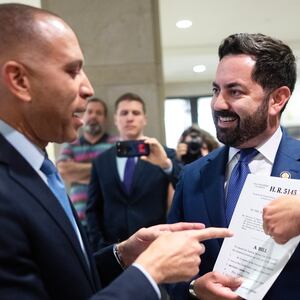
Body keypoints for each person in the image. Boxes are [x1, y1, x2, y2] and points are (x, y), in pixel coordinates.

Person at [0, 3, 234, 300]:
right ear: (20, 81)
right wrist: (150, 272)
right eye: (72, 71)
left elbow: (63, 276)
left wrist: (120, 254)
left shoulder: (38, 168)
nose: (88, 87)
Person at [168, 33, 300, 299]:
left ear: (278, 99)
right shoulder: (193, 176)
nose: (218, 104)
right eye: (216, 90)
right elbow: (169, 269)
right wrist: (194, 288)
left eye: (234, 91)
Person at [86, 92, 182, 251]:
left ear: (144, 119)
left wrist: (166, 164)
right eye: (124, 113)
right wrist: (100, 246)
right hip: (113, 250)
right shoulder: (101, 161)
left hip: (155, 246)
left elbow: (185, 187)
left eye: (135, 113)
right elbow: (92, 209)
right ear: (116, 119)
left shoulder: (164, 154)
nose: (130, 118)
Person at [57, 97, 116, 227]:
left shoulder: (115, 144)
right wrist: (102, 170)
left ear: (105, 119)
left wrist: (78, 172)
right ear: (83, 116)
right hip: (79, 220)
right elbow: (63, 171)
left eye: (99, 113)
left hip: (108, 221)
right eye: (90, 112)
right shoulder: (71, 143)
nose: (93, 116)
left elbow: (116, 174)